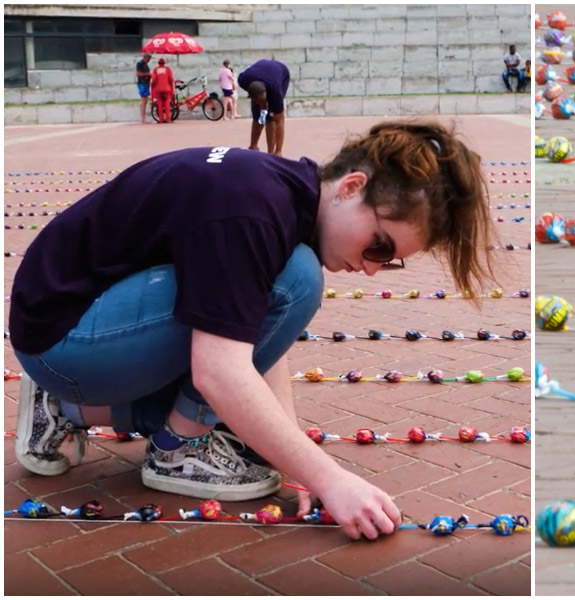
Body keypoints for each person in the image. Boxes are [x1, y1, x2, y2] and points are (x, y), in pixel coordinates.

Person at [10, 121, 497, 540]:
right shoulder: (251, 209)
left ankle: (61, 407)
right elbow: (220, 372)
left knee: (240, 399)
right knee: (295, 284)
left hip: (73, 327)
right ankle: (177, 452)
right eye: (378, 244)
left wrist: (298, 467)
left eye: (387, 262)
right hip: (66, 337)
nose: (372, 268)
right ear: (351, 186)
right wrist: (332, 480)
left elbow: (258, 339)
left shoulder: (285, 193)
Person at [237, 59, 290, 155]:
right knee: (257, 115)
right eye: (257, 101)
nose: (261, 104)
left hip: (281, 72)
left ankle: (272, 152)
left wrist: (278, 151)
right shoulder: (243, 80)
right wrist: (260, 105)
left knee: (271, 118)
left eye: (262, 101)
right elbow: (256, 98)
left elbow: (280, 121)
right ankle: (253, 146)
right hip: (260, 75)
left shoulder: (275, 92)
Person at [150, 58, 174, 124]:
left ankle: (161, 119)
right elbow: (171, 79)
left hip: (158, 89)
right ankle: (168, 119)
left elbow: (153, 80)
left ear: (158, 63)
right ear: (164, 63)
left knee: (159, 105)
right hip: (167, 89)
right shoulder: (168, 69)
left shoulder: (155, 70)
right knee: (167, 104)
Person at [135, 53, 152, 123]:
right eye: (148, 59)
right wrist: (147, 74)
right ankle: (143, 118)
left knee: (145, 101)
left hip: (146, 83)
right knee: (143, 100)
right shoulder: (140, 64)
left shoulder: (146, 65)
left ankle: (143, 117)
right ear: (145, 58)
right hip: (142, 83)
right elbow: (137, 74)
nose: (149, 61)